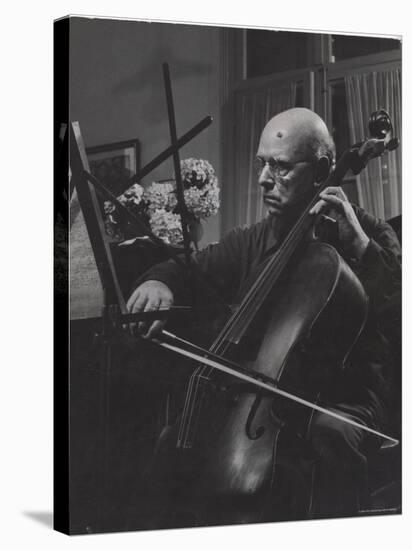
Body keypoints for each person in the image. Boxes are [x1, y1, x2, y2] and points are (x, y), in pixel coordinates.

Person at [127, 108, 401, 518]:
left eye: (281, 166)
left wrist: (361, 248)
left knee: (330, 434)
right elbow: (189, 268)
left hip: (345, 395)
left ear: (323, 169)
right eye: (261, 164)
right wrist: (158, 282)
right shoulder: (256, 240)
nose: (263, 179)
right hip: (268, 395)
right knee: (174, 440)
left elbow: (401, 312)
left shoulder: (370, 235)